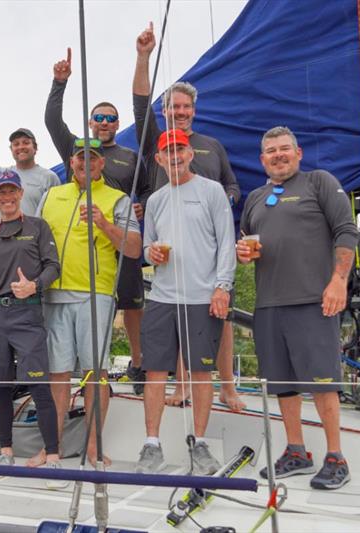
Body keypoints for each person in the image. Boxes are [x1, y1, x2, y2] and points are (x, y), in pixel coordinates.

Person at [132, 22, 244, 410]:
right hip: (171, 254)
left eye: (184, 107)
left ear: (193, 110)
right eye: (172, 107)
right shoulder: (156, 144)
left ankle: (227, 387)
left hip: (211, 249)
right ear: (165, 112)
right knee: (177, 323)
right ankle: (181, 387)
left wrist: (225, 198)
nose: (179, 112)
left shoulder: (213, 146)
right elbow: (139, 105)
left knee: (221, 321)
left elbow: (233, 186)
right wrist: (144, 57)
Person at [238, 126, 357, 490]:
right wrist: (242, 253)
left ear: (298, 152)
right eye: (271, 151)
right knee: (283, 385)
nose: (278, 155)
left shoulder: (319, 182)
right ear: (263, 160)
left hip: (313, 301)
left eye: (284, 149)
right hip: (269, 305)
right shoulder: (256, 198)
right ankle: (297, 450)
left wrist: (338, 281)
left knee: (323, 381)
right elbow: (247, 243)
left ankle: (336, 456)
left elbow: (346, 231)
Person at [45, 48, 150, 395]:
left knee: (132, 301)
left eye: (110, 118)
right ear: (90, 123)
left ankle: (138, 363)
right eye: (98, 118)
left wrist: (142, 209)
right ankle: (72, 369)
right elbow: (51, 122)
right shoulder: (77, 149)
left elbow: (149, 191)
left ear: (118, 125)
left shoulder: (130, 157)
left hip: (119, 237)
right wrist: (59, 83)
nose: (104, 123)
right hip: (83, 251)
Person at [37, 139, 143, 467]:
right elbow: (35, 240)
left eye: (93, 158)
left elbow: (135, 249)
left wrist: (104, 224)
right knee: (57, 373)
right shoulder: (51, 195)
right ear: (71, 162)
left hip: (95, 296)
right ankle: (51, 448)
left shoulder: (117, 199)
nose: (86, 163)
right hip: (53, 294)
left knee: (94, 373)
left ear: (101, 165)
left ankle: (94, 447)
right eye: (80, 157)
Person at [135, 129, 235, 475]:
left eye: (179, 150)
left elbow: (226, 242)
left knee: (201, 373)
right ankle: (151, 445)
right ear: (159, 160)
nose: (174, 157)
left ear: (190, 153)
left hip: (202, 295)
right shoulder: (156, 200)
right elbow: (148, 248)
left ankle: (201, 443)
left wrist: (223, 286)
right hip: (162, 297)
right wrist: (152, 253)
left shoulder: (212, 191)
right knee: (155, 373)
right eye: (167, 152)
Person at [0, 170, 66, 487]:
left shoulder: (37, 227)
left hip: (28, 314)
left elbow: (53, 267)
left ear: (20, 194)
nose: (6, 198)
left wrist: (34, 285)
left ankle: (54, 460)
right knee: (1, 388)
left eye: (11, 192)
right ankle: (6, 454)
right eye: (0, 193)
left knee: (39, 386)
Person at [0, 127, 60, 216]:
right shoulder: (1, 174)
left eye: (26, 142)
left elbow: (57, 212)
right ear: (11, 150)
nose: (21, 147)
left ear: (35, 148)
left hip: (34, 233)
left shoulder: (49, 177)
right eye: (16, 144)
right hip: (3, 233)